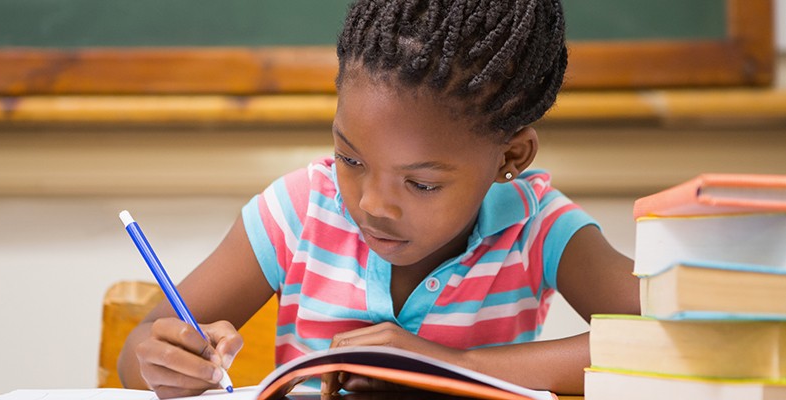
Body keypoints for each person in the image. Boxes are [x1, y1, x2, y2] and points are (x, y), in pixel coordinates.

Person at [118, 0, 639, 397]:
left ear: (512, 157)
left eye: (423, 184)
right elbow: (138, 346)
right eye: (350, 159)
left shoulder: (537, 228)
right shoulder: (298, 212)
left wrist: (449, 367)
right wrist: (163, 358)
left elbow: (676, 337)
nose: (373, 205)